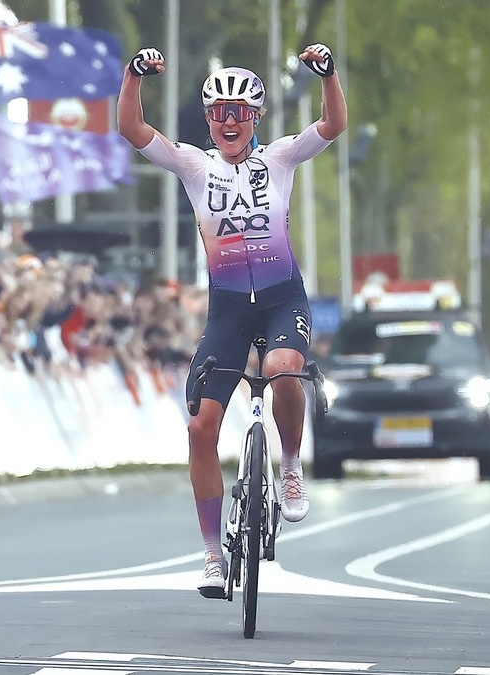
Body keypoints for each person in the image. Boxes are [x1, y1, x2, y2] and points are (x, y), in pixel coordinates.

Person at [117, 42, 346, 598]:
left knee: (283, 368)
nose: (229, 121)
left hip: (282, 300)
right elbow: (131, 129)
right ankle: (212, 555)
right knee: (200, 427)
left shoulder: (281, 159)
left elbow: (333, 125)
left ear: (255, 117)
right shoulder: (195, 166)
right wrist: (133, 76)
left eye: (239, 112)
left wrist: (327, 76)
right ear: (208, 118)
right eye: (220, 112)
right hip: (228, 311)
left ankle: (290, 465)